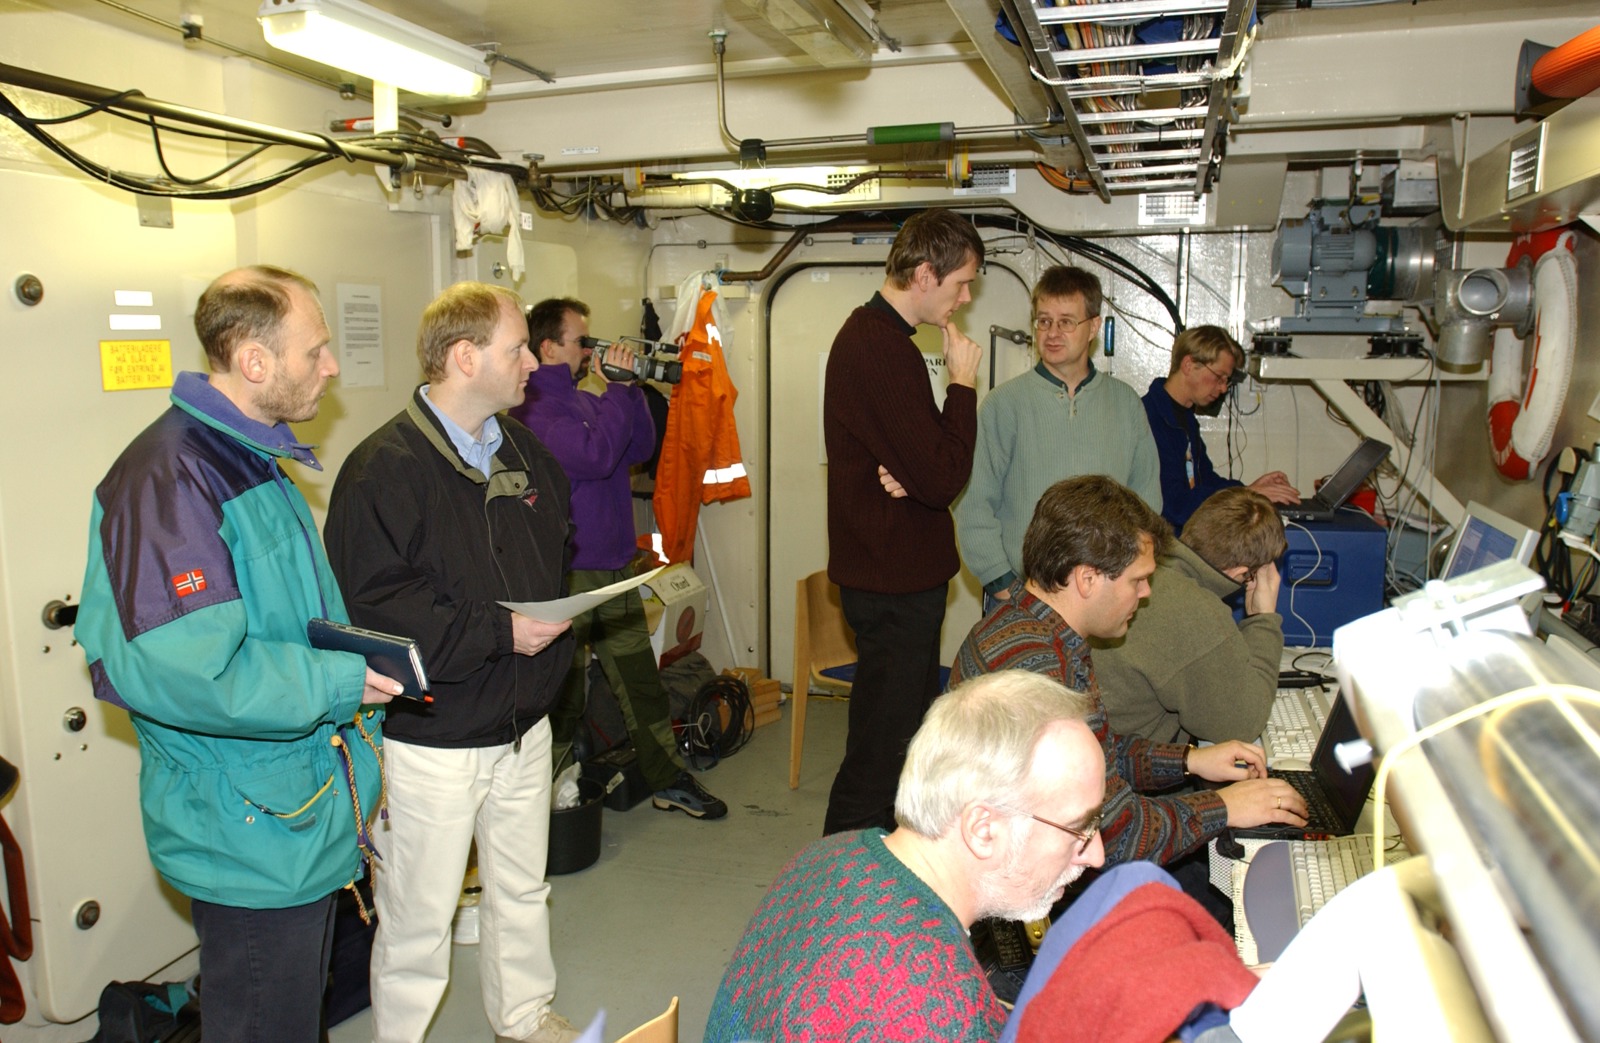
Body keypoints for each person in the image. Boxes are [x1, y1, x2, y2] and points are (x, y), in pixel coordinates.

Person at [77, 265, 398, 1042]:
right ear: (255, 361)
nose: (331, 366)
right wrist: (341, 679)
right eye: (315, 350)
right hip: (247, 824)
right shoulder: (172, 479)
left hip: (288, 807)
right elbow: (194, 671)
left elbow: (281, 622)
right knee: (265, 1021)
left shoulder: (249, 457)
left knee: (291, 1016)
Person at [324, 282, 579, 1043]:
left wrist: (544, 634)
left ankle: (524, 1017)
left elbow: (553, 561)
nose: (532, 362)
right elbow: (378, 609)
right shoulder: (381, 471)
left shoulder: (528, 455)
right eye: (517, 349)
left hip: (523, 723)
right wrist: (501, 633)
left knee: (522, 889)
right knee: (418, 915)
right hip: (431, 738)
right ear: (465, 357)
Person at [704, 670, 1108, 1043]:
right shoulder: (942, 1011)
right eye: (1079, 829)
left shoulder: (827, 856)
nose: (1097, 855)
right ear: (983, 830)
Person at [947, 476, 1307, 875]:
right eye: (1137, 580)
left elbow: (1098, 753)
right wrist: (1226, 806)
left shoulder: (1027, 630)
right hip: (1031, 879)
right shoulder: (1042, 678)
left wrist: (1189, 760)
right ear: (1087, 579)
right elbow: (1119, 835)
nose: (1147, 592)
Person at [510, 297, 725, 819]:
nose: (590, 349)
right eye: (581, 341)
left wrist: (633, 389)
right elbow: (595, 456)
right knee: (564, 693)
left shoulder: (586, 400)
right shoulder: (533, 412)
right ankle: (543, 801)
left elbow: (636, 449)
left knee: (639, 682)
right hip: (568, 574)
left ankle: (666, 778)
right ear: (548, 348)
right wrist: (618, 392)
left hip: (612, 568)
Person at [821, 207, 984, 835]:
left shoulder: (888, 343)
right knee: (877, 758)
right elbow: (943, 477)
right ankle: (835, 883)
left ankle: (885, 871)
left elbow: (927, 467)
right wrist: (962, 385)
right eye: (961, 284)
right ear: (923, 274)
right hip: (890, 588)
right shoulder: (879, 348)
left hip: (900, 580)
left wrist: (915, 474)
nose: (964, 299)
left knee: (903, 750)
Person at [955, 265, 1161, 610]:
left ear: (1093, 326)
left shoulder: (1125, 404)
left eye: (1066, 322)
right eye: (1044, 321)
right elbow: (972, 504)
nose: (1052, 333)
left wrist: (1125, 579)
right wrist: (1003, 585)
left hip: (1103, 597)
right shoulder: (1003, 405)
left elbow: (1146, 505)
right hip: (1019, 595)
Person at [1092, 487, 1288, 745]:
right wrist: (1263, 619)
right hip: (1127, 759)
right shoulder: (1194, 609)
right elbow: (1243, 724)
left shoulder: (1149, 563)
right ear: (1242, 572)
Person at [1143, 325, 1299, 530]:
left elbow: (1206, 481)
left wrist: (1251, 488)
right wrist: (1248, 494)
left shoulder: (1185, 418)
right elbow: (1173, 505)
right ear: (1189, 365)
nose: (1224, 388)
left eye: (1227, 381)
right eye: (1219, 377)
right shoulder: (1149, 419)